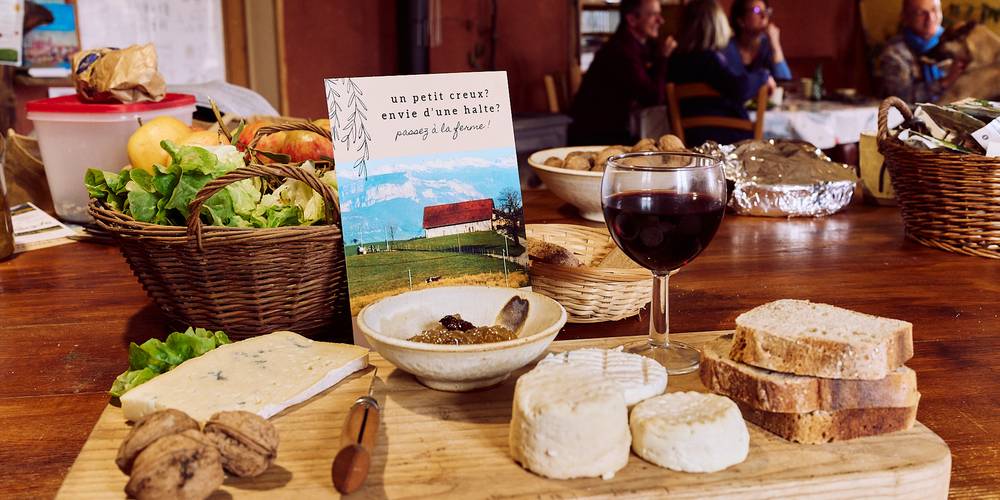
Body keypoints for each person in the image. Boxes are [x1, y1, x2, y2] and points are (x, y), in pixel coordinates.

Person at [568, 0, 677, 146]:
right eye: (653, 15)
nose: (661, 20)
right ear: (632, 19)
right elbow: (652, 97)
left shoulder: (635, 47)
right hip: (595, 138)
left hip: (609, 131)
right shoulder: (622, 51)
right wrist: (663, 57)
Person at [667, 0, 774, 147]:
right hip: (726, 140)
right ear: (717, 25)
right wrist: (764, 75)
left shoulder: (674, 60)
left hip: (690, 139)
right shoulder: (708, 60)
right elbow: (740, 88)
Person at [878, 0, 965, 103]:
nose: (930, 18)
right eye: (921, 13)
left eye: (934, 10)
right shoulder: (895, 52)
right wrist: (944, 82)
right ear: (906, 17)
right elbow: (901, 99)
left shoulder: (956, 43)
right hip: (912, 116)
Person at [726, 0, 791, 81]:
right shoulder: (728, 47)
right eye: (756, 10)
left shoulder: (768, 45)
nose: (764, 16)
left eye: (766, 11)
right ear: (740, 20)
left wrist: (776, 45)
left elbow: (785, 81)